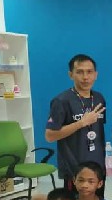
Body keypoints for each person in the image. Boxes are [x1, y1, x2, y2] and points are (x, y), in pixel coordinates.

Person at [45, 54, 106, 191]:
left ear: (95, 75)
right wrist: (81, 123)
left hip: (97, 168)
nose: (85, 77)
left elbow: (97, 132)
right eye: (79, 72)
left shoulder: (99, 98)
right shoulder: (61, 101)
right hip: (75, 170)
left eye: (89, 72)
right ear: (71, 75)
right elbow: (49, 136)